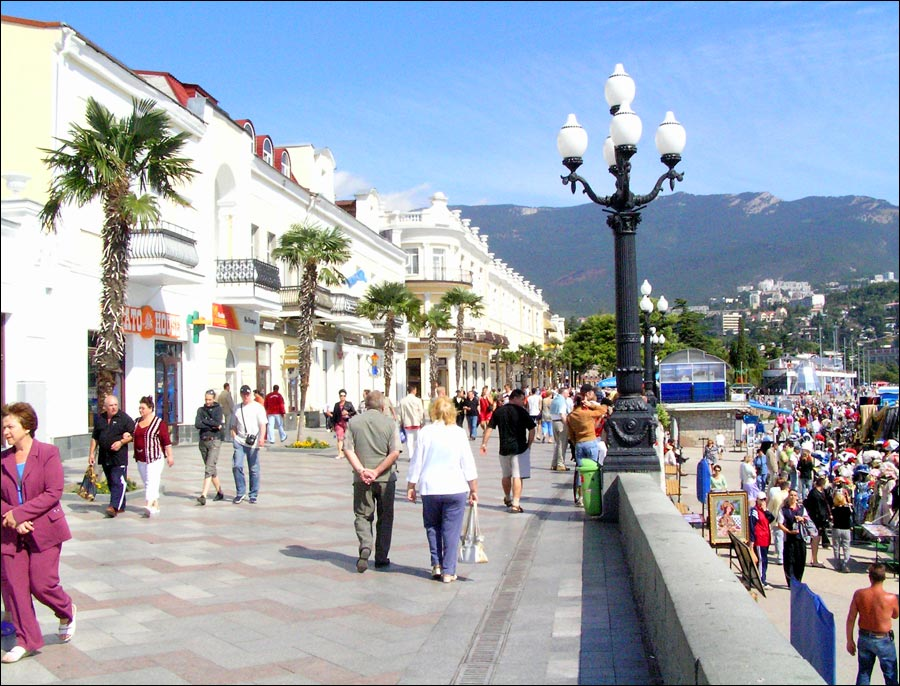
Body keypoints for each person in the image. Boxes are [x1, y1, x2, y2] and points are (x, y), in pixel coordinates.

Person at [0, 403, 76, 664]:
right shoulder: (2, 460)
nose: (5, 431)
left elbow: (53, 491)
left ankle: (66, 609)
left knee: (41, 584)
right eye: (4, 427)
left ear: (27, 426)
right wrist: (12, 517)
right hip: (11, 532)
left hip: (45, 530)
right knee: (16, 589)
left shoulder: (48, 453)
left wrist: (20, 514)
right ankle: (25, 641)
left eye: (10, 426)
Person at [406, 395, 478, 584]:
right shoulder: (459, 433)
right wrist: (474, 488)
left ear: (433, 412)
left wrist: (411, 485)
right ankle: (449, 571)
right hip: (455, 487)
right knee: (451, 530)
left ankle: (436, 564)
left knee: (432, 526)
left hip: (430, 488)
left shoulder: (425, 432)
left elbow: (417, 461)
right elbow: (468, 463)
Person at [343, 390, 401, 572]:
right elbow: (394, 452)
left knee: (362, 515)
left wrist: (361, 470)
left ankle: (365, 546)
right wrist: (376, 471)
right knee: (385, 516)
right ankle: (382, 556)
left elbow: (347, 449)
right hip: (385, 479)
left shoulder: (354, 422)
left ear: (365, 405)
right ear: (383, 406)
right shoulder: (390, 423)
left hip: (361, 479)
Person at [480, 388, 535, 514]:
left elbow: (489, 428)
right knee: (517, 476)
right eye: (522, 399)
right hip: (519, 448)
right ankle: (515, 504)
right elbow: (532, 429)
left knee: (506, 475)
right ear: (514, 398)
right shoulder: (521, 412)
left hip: (503, 449)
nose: (523, 402)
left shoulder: (499, 411)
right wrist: (529, 444)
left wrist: (484, 443)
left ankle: (508, 497)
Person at [846, 563, 899, 685]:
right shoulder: (891, 598)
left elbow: (851, 618)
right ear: (884, 578)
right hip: (884, 639)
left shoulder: (859, 594)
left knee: (864, 673)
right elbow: (895, 615)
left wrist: (850, 640)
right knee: (890, 675)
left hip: (864, 637)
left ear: (870, 577)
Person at [89, 395, 135, 518]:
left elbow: (133, 434)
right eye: (111, 405)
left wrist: (121, 442)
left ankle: (113, 507)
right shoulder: (100, 419)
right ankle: (121, 505)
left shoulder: (124, 418)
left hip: (119, 457)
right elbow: (95, 437)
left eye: (115, 405)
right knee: (111, 482)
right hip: (105, 457)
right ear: (105, 407)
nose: (114, 407)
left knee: (117, 481)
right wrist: (91, 454)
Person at [132, 396, 174, 517]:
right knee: (147, 482)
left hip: (155, 457)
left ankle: (148, 504)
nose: (141, 410)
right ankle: (155, 504)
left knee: (151, 480)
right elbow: (131, 435)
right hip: (141, 457)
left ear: (150, 409)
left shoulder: (159, 423)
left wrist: (170, 456)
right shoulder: (136, 422)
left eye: (143, 408)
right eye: (140, 408)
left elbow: (166, 441)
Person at [566, 393, 609, 506]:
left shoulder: (570, 416)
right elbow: (603, 410)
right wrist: (591, 405)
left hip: (579, 444)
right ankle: (592, 494)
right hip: (591, 442)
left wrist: (576, 443)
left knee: (581, 470)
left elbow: (570, 434)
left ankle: (580, 497)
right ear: (583, 402)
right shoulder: (587, 414)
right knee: (592, 469)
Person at [231, 385, 267, 504]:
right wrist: (234, 436)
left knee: (254, 469)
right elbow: (233, 424)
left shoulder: (258, 408)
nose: (245, 396)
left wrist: (261, 438)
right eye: (243, 394)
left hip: (253, 442)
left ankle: (253, 494)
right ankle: (240, 492)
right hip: (240, 441)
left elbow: (263, 424)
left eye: (247, 394)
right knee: (237, 465)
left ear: (250, 394)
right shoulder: (237, 408)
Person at [194, 389, 225, 505]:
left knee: (208, 468)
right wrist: (212, 424)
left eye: (210, 400)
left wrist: (206, 422)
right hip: (203, 442)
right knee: (211, 469)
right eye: (206, 399)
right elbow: (197, 424)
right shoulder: (200, 410)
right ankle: (219, 492)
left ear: (214, 399)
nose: (207, 402)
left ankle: (203, 495)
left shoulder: (218, 409)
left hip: (215, 441)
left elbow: (218, 422)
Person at [777, 489, 809, 587]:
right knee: (789, 561)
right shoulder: (783, 510)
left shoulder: (801, 508)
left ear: (797, 497)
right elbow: (779, 524)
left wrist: (802, 519)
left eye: (795, 495)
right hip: (789, 539)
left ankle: (798, 580)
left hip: (800, 538)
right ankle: (791, 582)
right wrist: (788, 531)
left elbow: (807, 519)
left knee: (800, 561)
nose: (793, 497)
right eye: (791, 495)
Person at [804, 476, 832, 567]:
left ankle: (814, 558)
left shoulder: (820, 492)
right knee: (815, 539)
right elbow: (819, 508)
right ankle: (814, 560)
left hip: (818, 519)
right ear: (823, 485)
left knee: (817, 539)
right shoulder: (815, 494)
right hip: (816, 519)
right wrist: (823, 518)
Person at [749, 492, 774, 588]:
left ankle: (762, 578)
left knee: (765, 560)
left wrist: (766, 510)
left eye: (764, 499)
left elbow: (771, 519)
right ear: (757, 500)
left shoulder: (764, 510)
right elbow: (752, 526)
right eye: (761, 499)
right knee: (761, 560)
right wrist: (752, 541)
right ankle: (761, 580)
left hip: (766, 539)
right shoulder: (754, 511)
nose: (763, 501)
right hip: (759, 539)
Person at [326, 389, 356, 460]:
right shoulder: (336, 405)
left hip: (347, 423)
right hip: (338, 424)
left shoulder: (349, 404)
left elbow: (354, 412)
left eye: (344, 396)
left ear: (346, 396)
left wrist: (348, 413)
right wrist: (333, 424)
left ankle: (350, 453)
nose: (342, 397)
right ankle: (340, 453)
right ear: (339, 396)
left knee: (348, 439)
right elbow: (335, 415)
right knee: (340, 438)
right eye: (341, 396)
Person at [399, 384, 426, 459]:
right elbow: (421, 411)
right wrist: (421, 420)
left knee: (409, 441)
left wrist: (401, 422)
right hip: (416, 422)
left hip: (407, 423)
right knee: (418, 440)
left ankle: (411, 456)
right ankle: (418, 456)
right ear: (414, 390)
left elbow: (401, 413)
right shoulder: (418, 400)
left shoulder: (403, 401)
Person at [768, 477, 790, 564]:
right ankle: (784, 555)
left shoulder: (775, 496)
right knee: (785, 539)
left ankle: (780, 555)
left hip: (776, 520)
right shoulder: (789, 495)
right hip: (787, 520)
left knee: (778, 538)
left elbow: (769, 508)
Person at [832, 489, 854, 573]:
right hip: (846, 529)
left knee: (836, 547)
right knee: (846, 547)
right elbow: (851, 512)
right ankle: (845, 564)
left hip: (836, 528)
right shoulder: (848, 509)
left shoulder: (834, 509)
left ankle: (837, 564)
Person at [550, 388, 570, 472]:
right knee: (562, 444)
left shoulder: (555, 400)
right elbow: (562, 414)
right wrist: (567, 425)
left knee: (557, 443)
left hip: (554, 422)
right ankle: (560, 464)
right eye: (567, 393)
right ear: (563, 393)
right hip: (561, 423)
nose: (568, 395)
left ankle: (554, 463)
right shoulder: (562, 401)